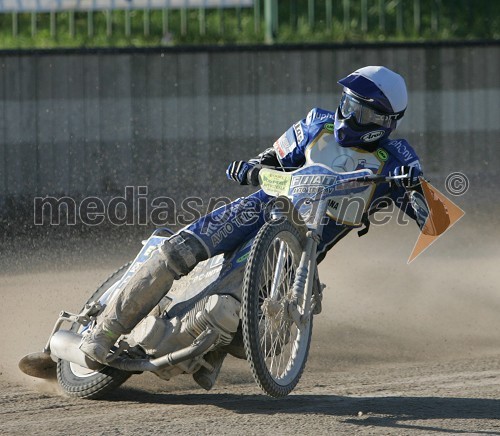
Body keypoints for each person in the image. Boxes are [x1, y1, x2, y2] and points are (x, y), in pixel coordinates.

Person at [79, 66, 447, 388]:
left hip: (299, 251)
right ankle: (103, 332)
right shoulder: (317, 122)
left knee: (241, 321)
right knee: (177, 251)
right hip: (260, 207)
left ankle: (205, 353)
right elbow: (273, 156)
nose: (348, 117)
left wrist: (410, 186)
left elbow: (432, 217)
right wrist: (252, 166)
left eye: (361, 112)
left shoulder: (398, 158)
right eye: (348, 104)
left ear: (384, 122)